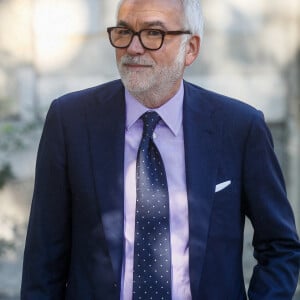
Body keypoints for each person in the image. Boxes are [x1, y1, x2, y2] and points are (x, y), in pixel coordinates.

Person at [21, 0, 300, 299]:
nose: (133, 48)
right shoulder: (70, 120)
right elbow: (43, 259)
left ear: (190, 48)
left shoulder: (239, 127)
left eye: (153, 33)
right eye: (124, 32)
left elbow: (279, 246)